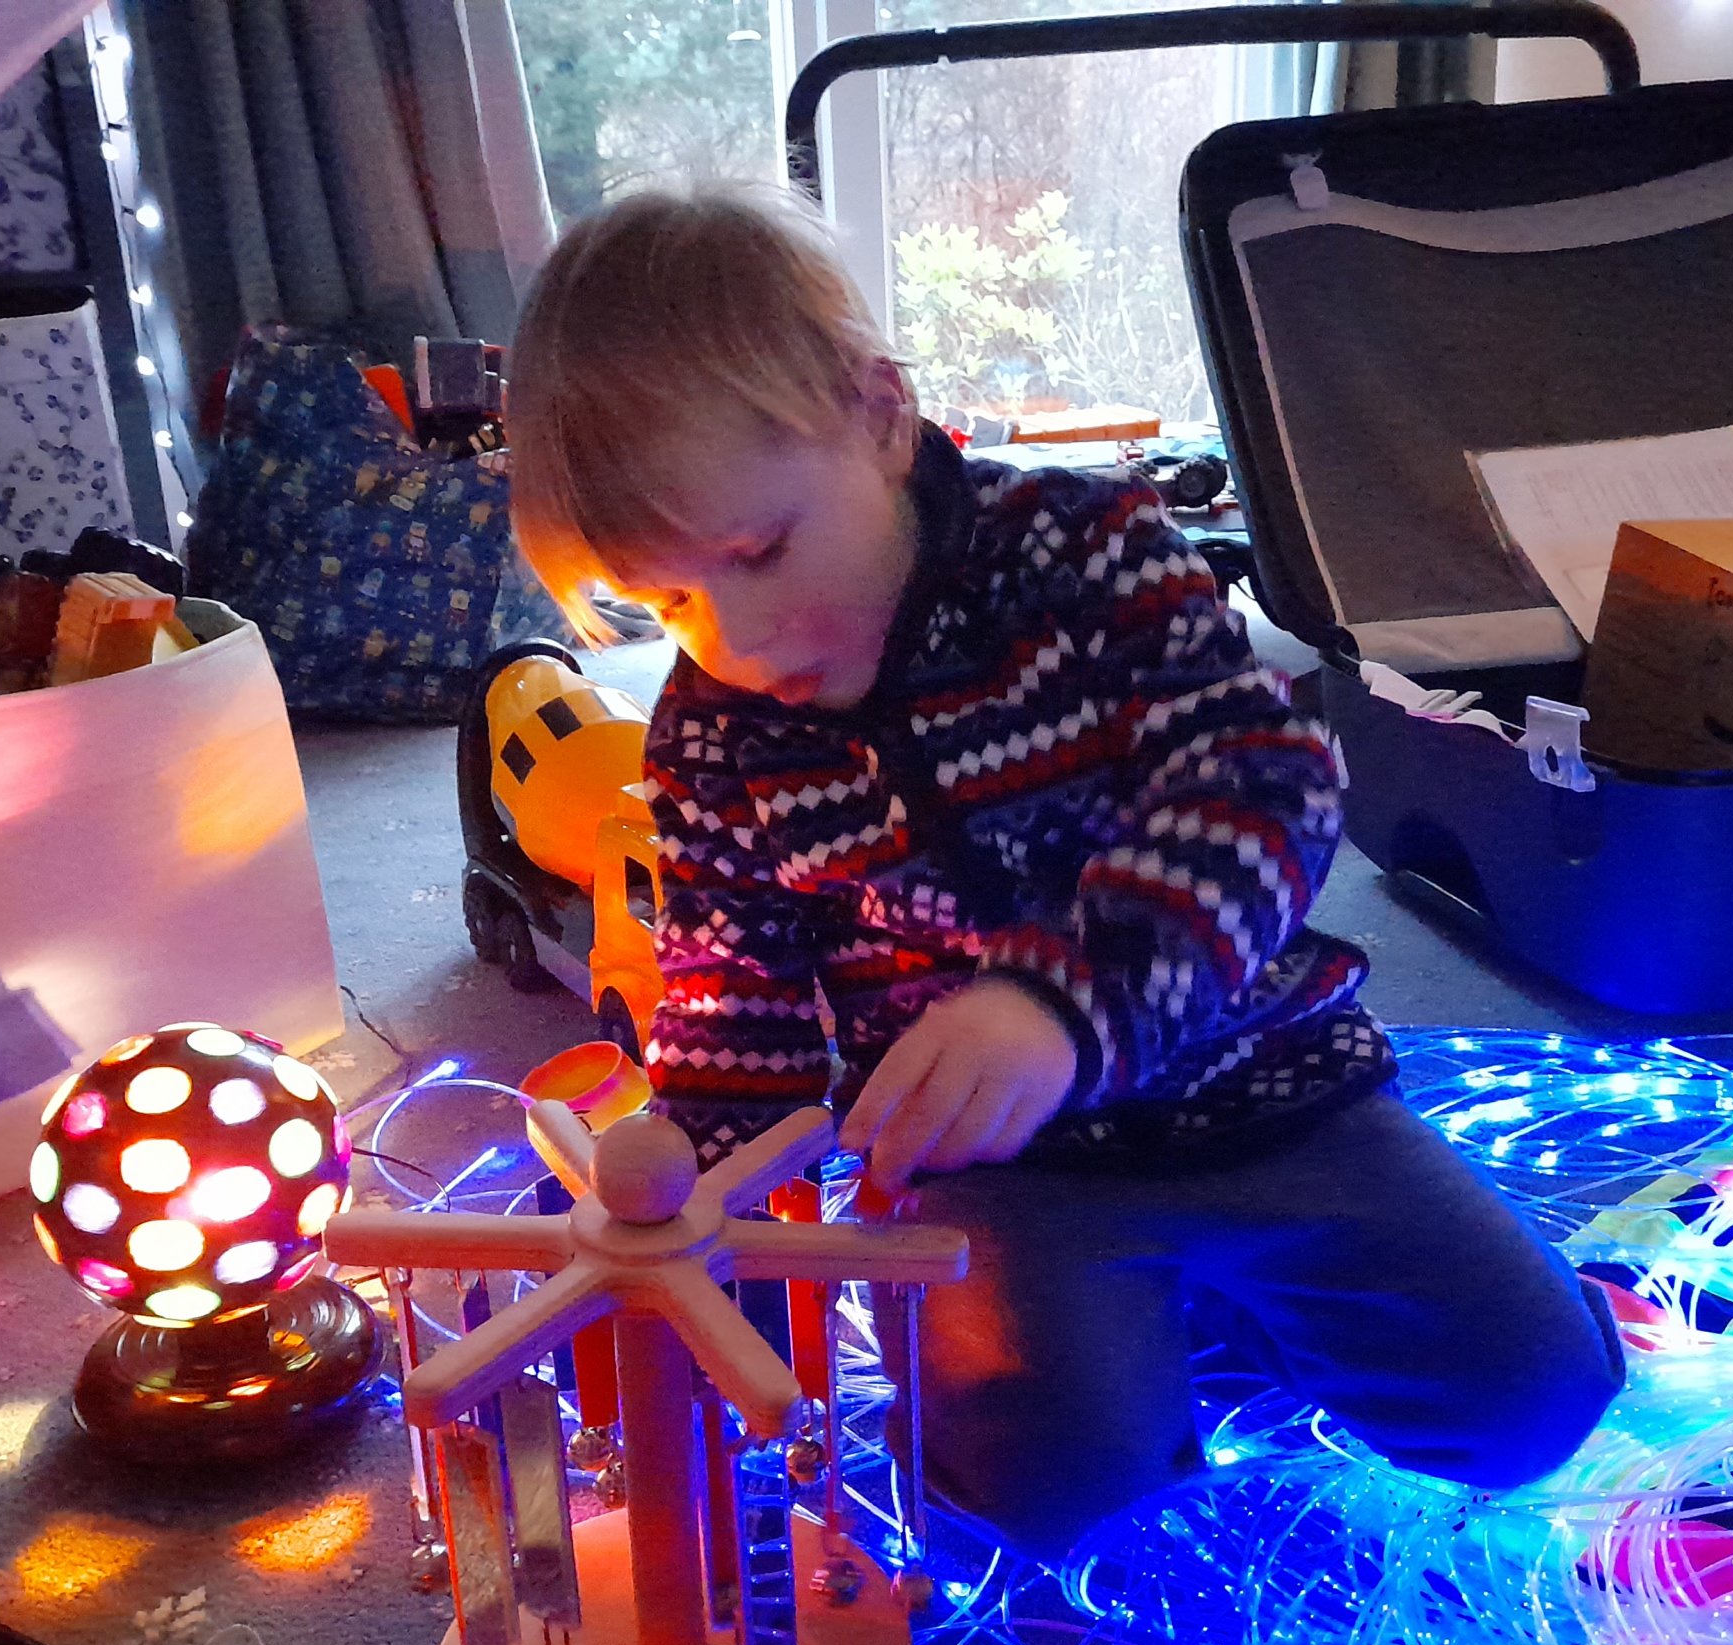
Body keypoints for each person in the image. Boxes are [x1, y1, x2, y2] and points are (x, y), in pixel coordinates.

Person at [506, 185, 1624, 1561]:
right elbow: (735, 1000)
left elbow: (1263, 783)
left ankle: (1220, 1321)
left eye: (760, 549)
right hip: (1000, 1169)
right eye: (671, 600)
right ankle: (1151, 1335)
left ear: (877, 412)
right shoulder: (711, 736)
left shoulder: (1084, 553)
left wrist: (1065, 1005)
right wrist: (696, 1192)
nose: (740, 637)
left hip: (1263, 1090)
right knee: (1050, 1488)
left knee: (1532, 1404)